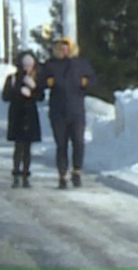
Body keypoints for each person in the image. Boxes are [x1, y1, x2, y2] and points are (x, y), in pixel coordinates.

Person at [41, 37, 98, 189]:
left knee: (78, 142)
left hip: (76, 111)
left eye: (67, 47)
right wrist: (48, 82)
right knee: (61, 144)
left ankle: (77, 172)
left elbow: (93, 79)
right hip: (58, 111)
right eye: (61, 47)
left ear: (72, 48)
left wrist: (85, 83)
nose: (64, 50)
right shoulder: (51, 64)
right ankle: (62, 176)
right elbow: (41, 80)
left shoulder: (81, 64)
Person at [1, 50, 43, 187]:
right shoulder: (12, 79)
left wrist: (34, 89)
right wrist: (18, 91)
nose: (27, 68)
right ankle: (16, 173)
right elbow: (5, 96)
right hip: (17, 115)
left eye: (30, 65)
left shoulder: (35, 78)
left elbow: (41, 97)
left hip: (30, 115)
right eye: (25, 65)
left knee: (28, 148)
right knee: (18, 146)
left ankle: (26, 174)